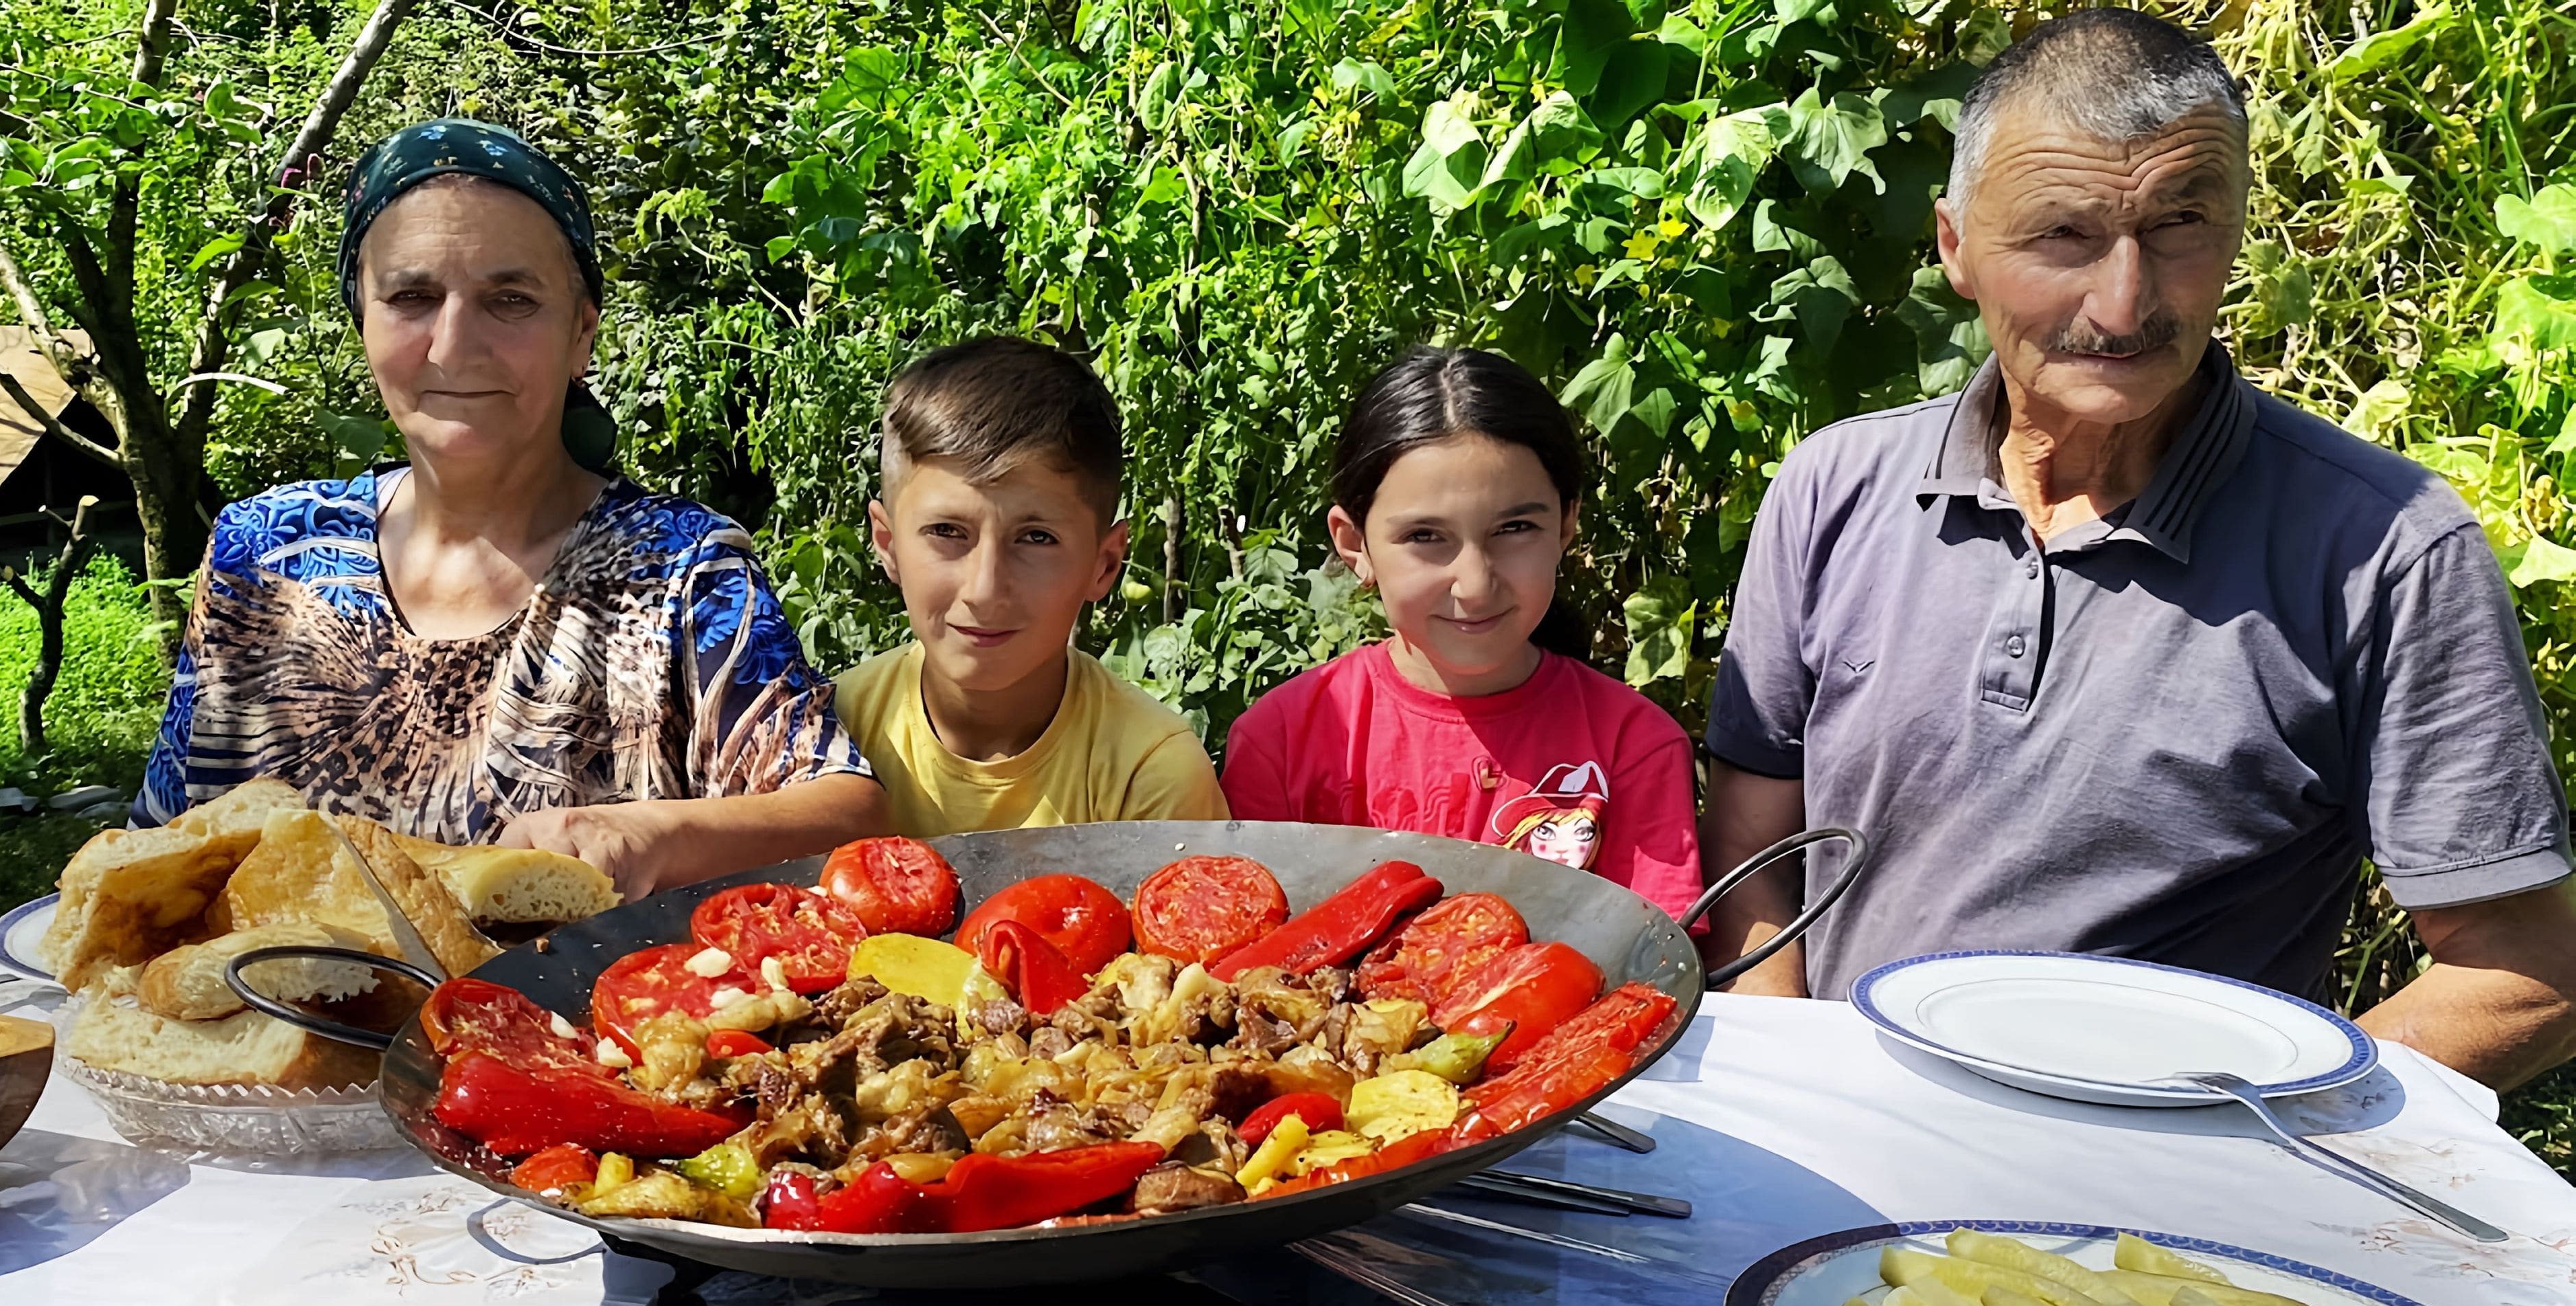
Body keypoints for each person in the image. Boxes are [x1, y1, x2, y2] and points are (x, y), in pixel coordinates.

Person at [1696, 10, 2576, 1088]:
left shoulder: (2386, 549)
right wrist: (1796, 1079)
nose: (2124, 303)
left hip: (2151, 1225)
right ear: (1955, 246)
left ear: (2239, 228)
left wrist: (2237, 1138)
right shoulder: (1834, 488)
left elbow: (2529, 972)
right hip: (1843, 1144)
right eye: (2063, 236)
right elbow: (1755, 844)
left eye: (2179, 225)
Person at [133, 120, 889, 898]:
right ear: (361, 315)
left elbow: (848, 815)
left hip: (559, 1018)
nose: (455, 344)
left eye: (511, 300)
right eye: (413, 297)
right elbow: (158, 848)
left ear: (580, 334)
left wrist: (641, 833)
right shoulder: (263, 552)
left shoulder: (680, 570)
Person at [1223, 348, 1703, 918]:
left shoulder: (1635, 748)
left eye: (1515, 528)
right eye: (1426, 536)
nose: (1474, 585)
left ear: (1567, 523)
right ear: (1354, 544)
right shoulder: (1282, 742)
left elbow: (1650, 968)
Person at [831, 337, 1227, 835]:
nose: (984, 589)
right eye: (947, 532)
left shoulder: (1148, 773)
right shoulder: (832, 739)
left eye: (1037, 538)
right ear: (887, 544)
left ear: (1104, 565)